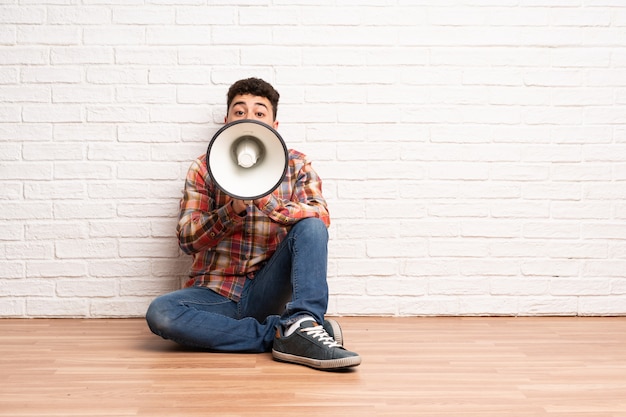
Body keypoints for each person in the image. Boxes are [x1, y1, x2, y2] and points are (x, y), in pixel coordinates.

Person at [146, 77, 361, 370]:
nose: (249, 118)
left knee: (310, 226)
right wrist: (231, 210)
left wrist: (268, 204)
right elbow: (187, 239)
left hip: (266, 290)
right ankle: (288, 332)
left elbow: (320, 216)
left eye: (259, 113)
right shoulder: (203, 168)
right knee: (162, 313)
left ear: (274, 125)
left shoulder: (297, 165)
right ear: (226, 121)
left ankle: (302, 319)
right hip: (215, 293)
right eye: (239, 111)